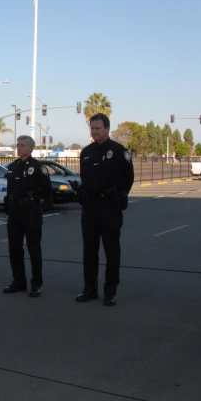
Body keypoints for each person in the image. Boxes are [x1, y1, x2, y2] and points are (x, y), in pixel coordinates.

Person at [76, 114, 134, 306]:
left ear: (107, 129)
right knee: (89, 251)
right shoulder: (86, 152)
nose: (94, 132)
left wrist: (118, 197)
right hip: (90, 209)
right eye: (92, 128)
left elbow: (128, 179)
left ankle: (110, 291)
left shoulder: (118, 151)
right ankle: (89, 289)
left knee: (111, 251)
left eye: (98, 128)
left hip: (110, 209)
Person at [3, 136, 53, 297]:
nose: (19, 148)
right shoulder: (12, 167)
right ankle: (18, 281)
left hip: (31, 212)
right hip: (15, 213)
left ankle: (36, 283)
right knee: (14, 248)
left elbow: (47, 192)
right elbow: (9, 192)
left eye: (22, 145)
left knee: (33, 249)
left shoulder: (38, 167)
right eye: (18, 145)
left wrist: (39, 208)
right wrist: (9, 213)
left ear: (31, 148)